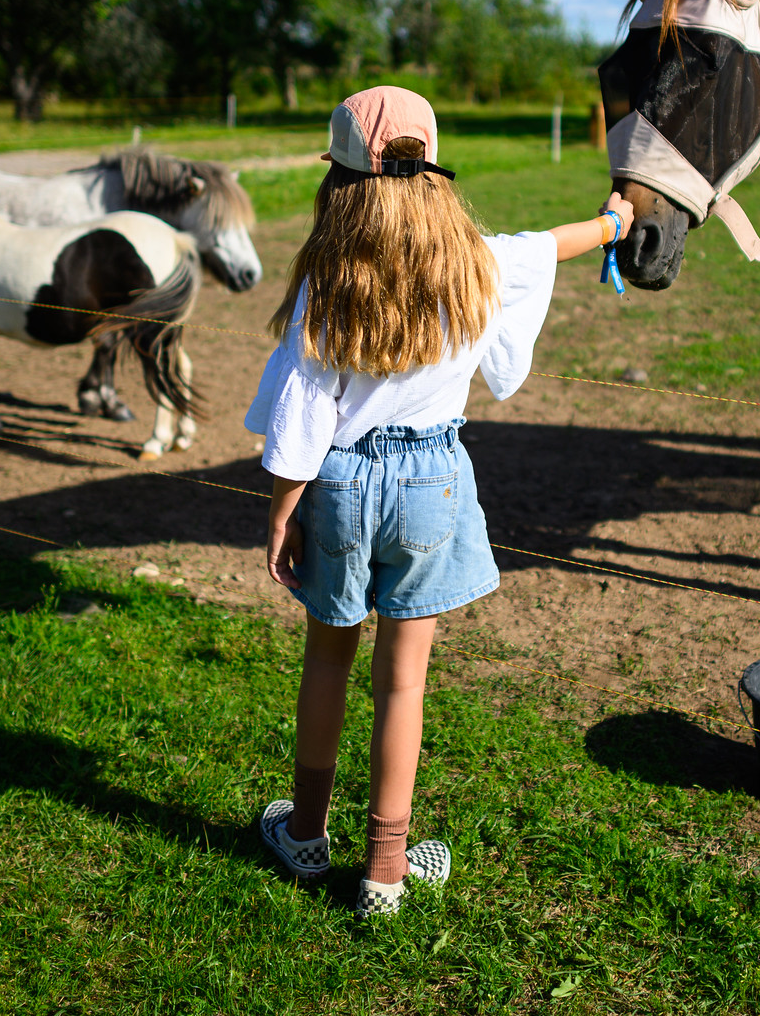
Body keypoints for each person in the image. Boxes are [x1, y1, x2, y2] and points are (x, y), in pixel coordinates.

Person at [249, 85, 633, 918]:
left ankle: (306, 835)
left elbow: (305, 403)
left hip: (342, 481)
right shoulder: (478, 259)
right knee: (403, 684)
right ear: (433, 167)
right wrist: (612, 223)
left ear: (339, 179)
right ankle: (385, 873)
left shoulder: (330, 273)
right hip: (431, 482)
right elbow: (550, 246)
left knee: (327, 658)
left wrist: (284, 505)